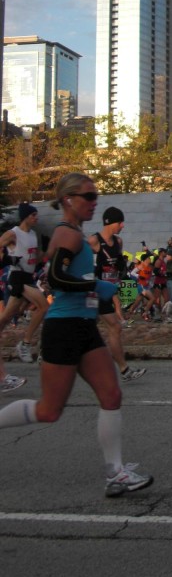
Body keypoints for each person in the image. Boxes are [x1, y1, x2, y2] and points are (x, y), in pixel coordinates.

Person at [0, 173, 152, 496]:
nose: (94, 201)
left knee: (111, 395)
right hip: (64, 328)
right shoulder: (67, 235)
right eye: (88, 196)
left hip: (83, 325)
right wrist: (98, 286)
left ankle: (115, 474)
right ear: (68, 199)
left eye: (95, 195)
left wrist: (94, 294)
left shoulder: (76, 234)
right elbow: (56, 278)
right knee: (49, 411)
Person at [88, 206, 146, 382]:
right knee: (84, 329)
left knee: (114, 327)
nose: (122, 226)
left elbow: (119, 266)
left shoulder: (118, 242)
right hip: (93, 292)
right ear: (109, 222)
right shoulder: (93, 241)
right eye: (120, 222)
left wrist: (122, 276)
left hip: (108, 292)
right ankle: (49, 353)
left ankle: (124, 370)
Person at [0, 203, 46, 364]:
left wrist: (48, 256)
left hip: (29, 276)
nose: (36, 217)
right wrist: (7, 258)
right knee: (43, 306)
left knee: (7, 317)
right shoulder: (13, 233)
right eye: (34, 215)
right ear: (26, 216)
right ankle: (25, 344)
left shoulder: (33, 234)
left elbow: (36, 256)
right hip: (17, 276)